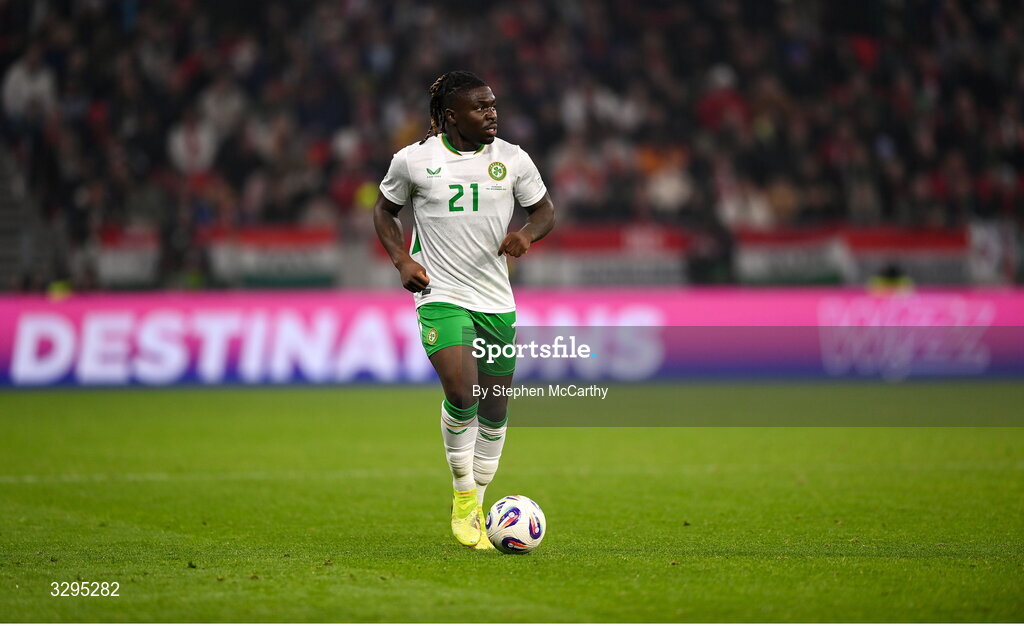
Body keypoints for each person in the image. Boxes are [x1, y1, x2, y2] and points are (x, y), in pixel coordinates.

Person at [373, 71, 555, 549]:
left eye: (493, 105)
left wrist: (526, 235)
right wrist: (402, 259)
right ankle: (463, 495)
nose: (492, 113)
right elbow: (384, 210)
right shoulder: (414, 161)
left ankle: (480, 498)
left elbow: (545, 211)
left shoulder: (513, 159)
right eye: (480, 107)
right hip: (440, 292)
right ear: (451, 116)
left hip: (495, 299)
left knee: (494, 407)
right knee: (462, 390)